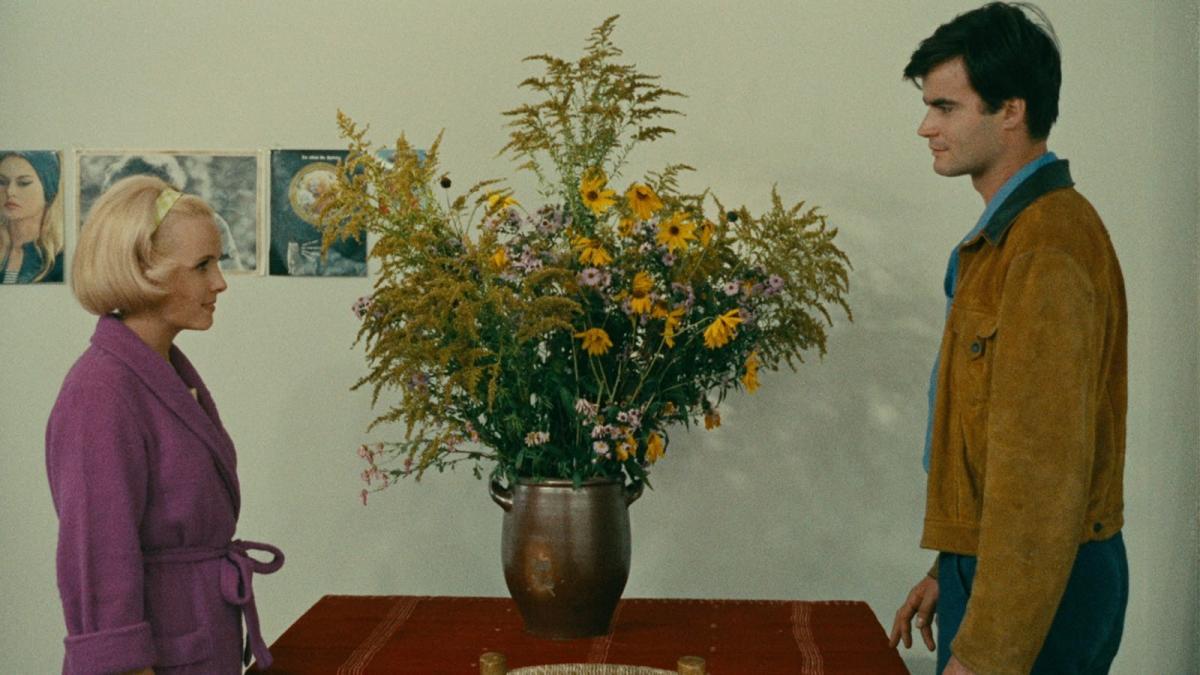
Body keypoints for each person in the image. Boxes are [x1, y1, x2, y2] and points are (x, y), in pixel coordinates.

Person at [888, 3, 1128, 674]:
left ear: (1011, 111)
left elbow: (1043, 475)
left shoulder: (1048, 244)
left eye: (945, 106)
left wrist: (988, 649)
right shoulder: (1010, 237)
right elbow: (993, 440)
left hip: (1040, 584)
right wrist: (952, 566)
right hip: (1001, 569)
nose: (926, 126)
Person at [46, 175, 284, 674]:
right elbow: (98, 558)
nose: (219, 282)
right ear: (143, 271)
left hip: (200, 642)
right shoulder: (101, 393)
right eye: (202, 266)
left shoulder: (163, 372)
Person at [1, 150, 64, 283]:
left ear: (48, 189)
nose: (10, 191)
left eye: (24, 183)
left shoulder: (61, 258)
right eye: (2, 182)